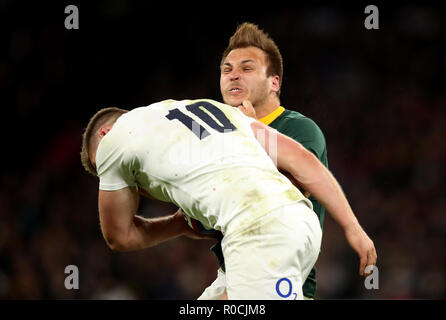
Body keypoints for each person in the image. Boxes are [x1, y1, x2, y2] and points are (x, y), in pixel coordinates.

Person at [80, 98, 376, 299]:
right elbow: (302, 159)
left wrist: (178, 225)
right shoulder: (213, 109)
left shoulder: (112, 141)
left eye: (101, 171)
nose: (117, 183)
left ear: (105, 133)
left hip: (258, 234)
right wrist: (353, 227)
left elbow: (119, 236)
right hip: (298, 225)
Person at [199, 22, 328, 300]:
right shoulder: (216, 138)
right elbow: (204, 218)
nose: (234, 76)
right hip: (230, 277)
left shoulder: (299, 130)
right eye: (227, 69)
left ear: (274, 82)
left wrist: (246, 133)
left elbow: (278, 204)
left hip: (279, 280)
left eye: (246, 69)